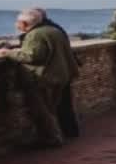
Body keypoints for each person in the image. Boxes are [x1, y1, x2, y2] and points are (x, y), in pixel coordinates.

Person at [11, 7, 74, 148]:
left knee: (42, 110)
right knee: (50, 109)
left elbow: (32, 57)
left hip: (42, 78)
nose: (16, 24)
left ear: (26, 24)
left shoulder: (35, 35)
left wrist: (6, 53)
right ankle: (52, 136)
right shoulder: (54, 30)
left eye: (18, 22)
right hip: (60, 76)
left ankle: (52, 139)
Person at [35, 9, 83, 138]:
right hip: (65, 70)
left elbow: (35, 55)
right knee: (64, 103)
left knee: (54, 105)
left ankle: (55, 135)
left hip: (54, 73)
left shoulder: (42, 31)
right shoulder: (55, 28)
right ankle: (70, 130)